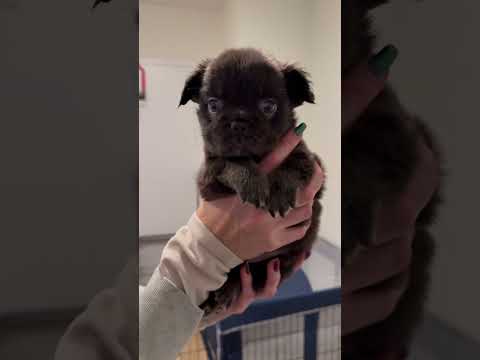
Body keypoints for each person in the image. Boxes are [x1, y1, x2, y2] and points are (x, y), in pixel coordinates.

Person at [55, 44, 439, 360]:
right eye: (217, 108)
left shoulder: (296, 146)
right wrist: (240, 182)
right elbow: (213, 181)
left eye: (267, 108)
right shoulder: (218, 161)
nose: (237, 122)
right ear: (199, 103)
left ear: (290, 103)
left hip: (280, 265)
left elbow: (311, 175)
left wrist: (289, 183)